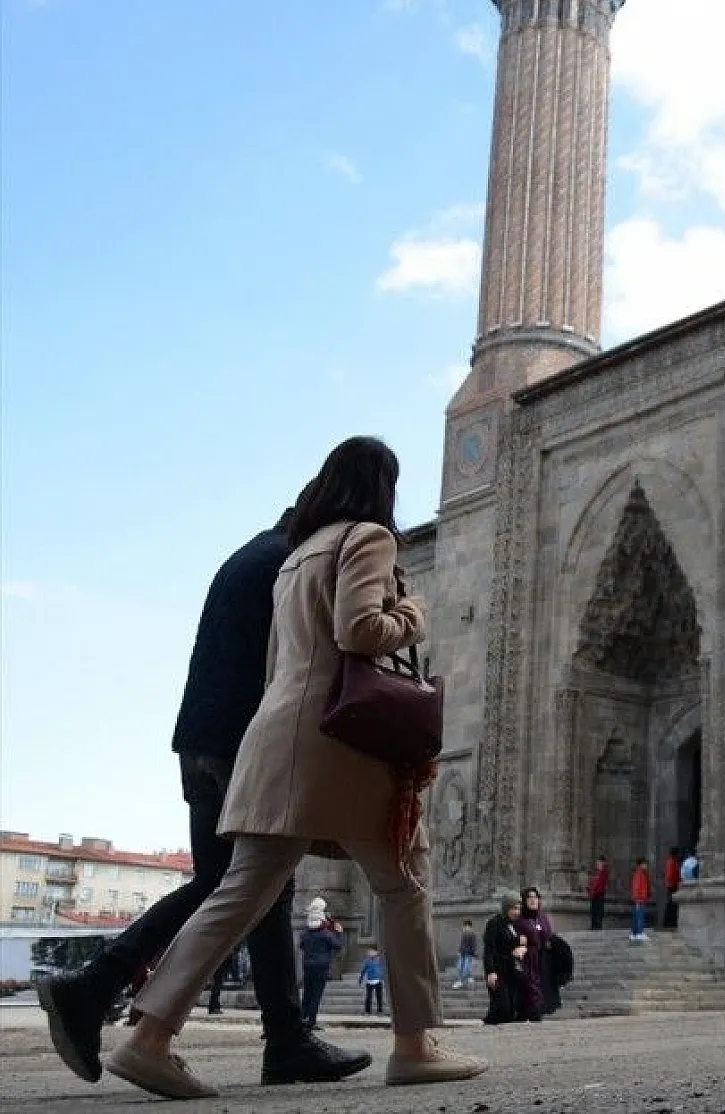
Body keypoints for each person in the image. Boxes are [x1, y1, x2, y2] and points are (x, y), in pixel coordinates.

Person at [100, 436, 488, 1099]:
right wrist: (414, 615)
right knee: (403, 885)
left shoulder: (297, 554)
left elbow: (290, 658)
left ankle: (149, 1037)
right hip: (339, 750)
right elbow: (359, 631)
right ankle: (415, 1045)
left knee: (238, 894)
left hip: (276, 739)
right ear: (380, 487)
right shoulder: (368, 538)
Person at [38, 506, 369, 1089]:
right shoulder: (298, 560)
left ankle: (284, 1039)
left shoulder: (249, 555)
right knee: (253, 882)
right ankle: (94, 988)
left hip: (199, 740)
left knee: (232, 884)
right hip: (241, 739)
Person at [481, 893, 527, 1026]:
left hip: (512, 971)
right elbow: (490, 949)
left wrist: (522, 948)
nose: (516, 912)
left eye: (518, 908)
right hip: (498, 970)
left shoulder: (515, 925)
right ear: (506, 908)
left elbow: (514, 945)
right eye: (513, 908)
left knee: (511, 1010)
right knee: (503, 1009)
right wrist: (490, 971)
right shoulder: (494, 923)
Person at [297, 898, 344, 1029]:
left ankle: (302, 1019)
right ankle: (311, 1021)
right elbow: (337, 946)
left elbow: (301, 946)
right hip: (321, 966)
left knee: (307, 993)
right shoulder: (326, 934)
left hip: (307, 965)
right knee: (316, 995)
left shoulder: (305, 934)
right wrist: (339, 933)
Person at [517, 887, 559, 1018]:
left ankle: (539, 1010)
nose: (533, 900)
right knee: (530, 988)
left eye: (535, 897)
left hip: (542, 959)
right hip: (528, 959)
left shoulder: (542, 918)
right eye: (529, 897)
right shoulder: (520, 920)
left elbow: (548, 935)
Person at [629, 857, 652, 942]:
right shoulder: (640, 873)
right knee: (640, 916)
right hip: (640, 899)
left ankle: (634, 933)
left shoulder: (639, 873)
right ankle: (639, 933)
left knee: (636, 916)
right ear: (642, 864)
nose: (646, 866)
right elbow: (636, 887)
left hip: (639, 898)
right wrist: (638, 899)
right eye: (645, 864)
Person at [358, 946, 385, 1017]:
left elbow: (383, 969)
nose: (370, 953)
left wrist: (382, 977)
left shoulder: (379, 960)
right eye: (369, 952)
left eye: (372, 951)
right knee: (368, 997)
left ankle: (380, 1011)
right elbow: (363, 971)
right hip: (369, 981)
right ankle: (367, 1011)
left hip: (378, 981)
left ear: (376, 952)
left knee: (379, 997)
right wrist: (360, 979)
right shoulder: (367, 961)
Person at [661, 847, 682, 930]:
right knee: (671, 904)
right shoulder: (672, 862)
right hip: (672, 886)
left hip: (671, 885)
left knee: (671, 904)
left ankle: (669, 922)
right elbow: (670, 875)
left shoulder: (670, 862)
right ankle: (669, 923)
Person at [586, 857, 610, 931]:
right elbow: (592, 882)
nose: (598, 864)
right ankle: (593, 925)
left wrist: (593, 890)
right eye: (597, 863)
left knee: (598, 910)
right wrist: (589, 889)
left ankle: (598, 925)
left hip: (599, 893)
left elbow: (600, 884)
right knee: (593, 910)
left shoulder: (604, 872)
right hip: (594, 894)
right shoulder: (596, 872)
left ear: (603, 863)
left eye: (599, 863)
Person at [452, 919, 478, 989]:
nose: (464, 928)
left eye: (465, 927)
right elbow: (462, 945)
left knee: (466, 967)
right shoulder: (464, 934)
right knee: (460, 967)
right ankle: (462, 980)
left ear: (469, 927)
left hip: (468, 954)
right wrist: (459, 952)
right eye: (464, 927)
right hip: (463, 953)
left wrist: (473, 955)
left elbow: (474, 945)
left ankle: (464, 980)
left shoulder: (472, 934)